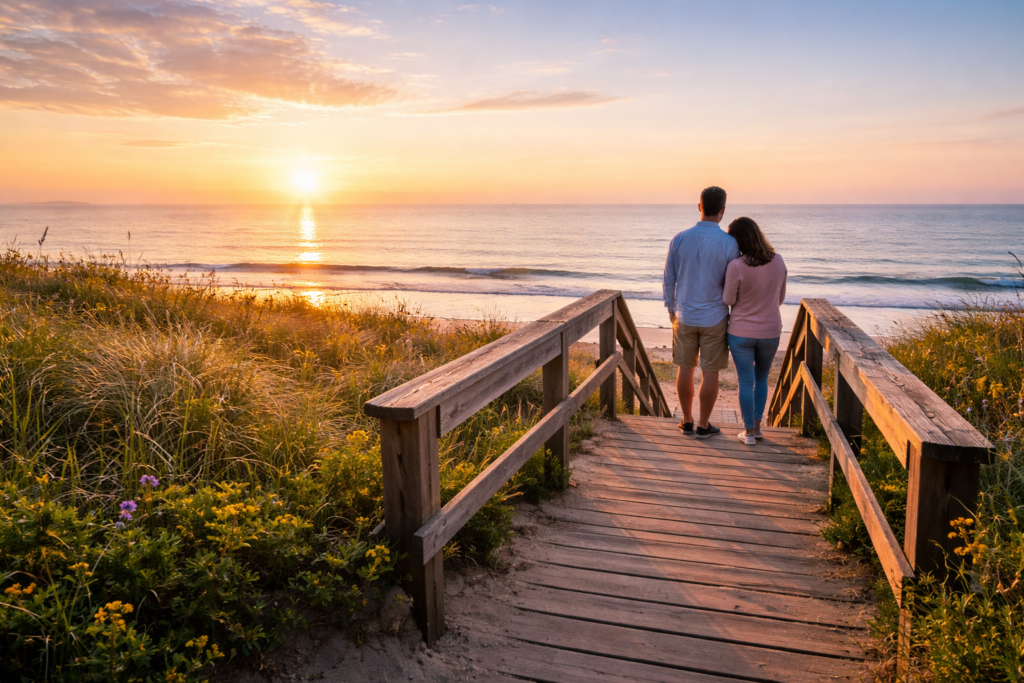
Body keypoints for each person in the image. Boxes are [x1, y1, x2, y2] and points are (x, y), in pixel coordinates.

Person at [662, 186, 740, 438]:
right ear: (723, 211)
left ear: (699, 206)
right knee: (710, 372)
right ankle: (704, 425)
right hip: (715, 316)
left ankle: (686, 421)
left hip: (684, 315)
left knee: (685, 369)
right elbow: (733, 283)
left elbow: (668, 279)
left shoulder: (679, 238)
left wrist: (671, 309)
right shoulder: (730, 243)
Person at [722, 217, 787, 446]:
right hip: (770, 330)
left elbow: (728, 299)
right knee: (761, 378)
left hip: (741, 331)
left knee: (745, 381)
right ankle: (758, 428)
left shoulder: (736, 266)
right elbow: (780, 299)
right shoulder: (778, 262)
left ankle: (748, 432)